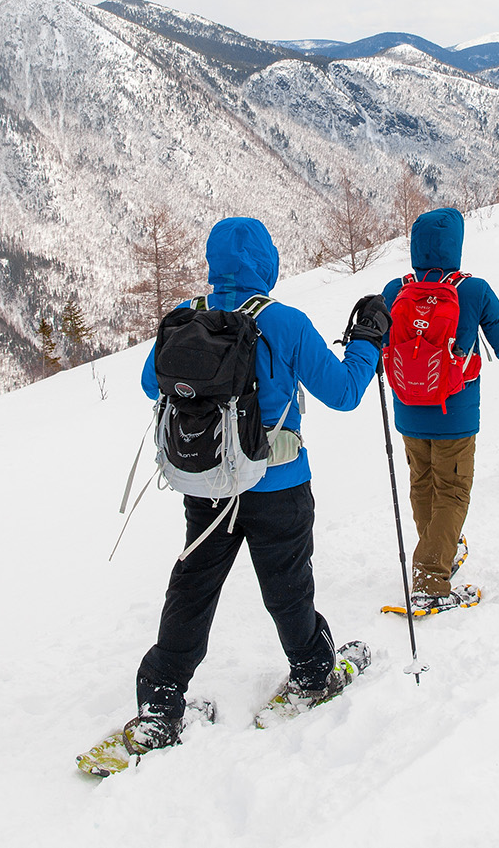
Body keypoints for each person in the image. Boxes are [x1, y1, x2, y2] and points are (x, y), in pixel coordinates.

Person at [125, 217, 387, 752]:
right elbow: (344, 392)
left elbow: (152, 383)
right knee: (287, 586)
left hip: (208, 485)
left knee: (193, 586)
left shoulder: (185, 318)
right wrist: (366, 341)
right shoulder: (285, 322)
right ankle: (313, 673)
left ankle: (160, 704)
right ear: (266, 262)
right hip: (279, 484)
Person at [381, 207, 499, 613]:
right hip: (455, 411)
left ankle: (438, 553)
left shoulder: (395, 289)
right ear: (456, 245)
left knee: (423, 484)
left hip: (409, 408)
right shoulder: (473, 289)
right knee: (452, 490)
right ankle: (431, 580)